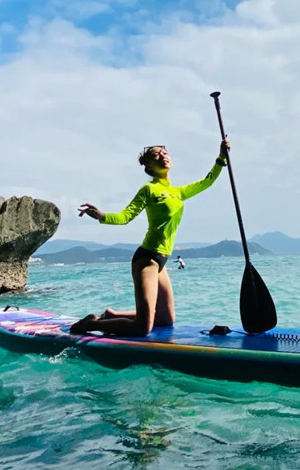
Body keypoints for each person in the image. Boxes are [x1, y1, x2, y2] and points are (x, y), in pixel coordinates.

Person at [71, 140, 229, 336]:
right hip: (147, 260)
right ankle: (89, 325)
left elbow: (208, 181)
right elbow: (125, 216)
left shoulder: (178, 192)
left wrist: (221, 157)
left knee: (166, 320)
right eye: (157, 155)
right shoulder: (149, 190)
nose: (163, 156)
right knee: (142, 328)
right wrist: (102, 216)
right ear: (148, 166)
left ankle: (111, 315)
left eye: (165, 152)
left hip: (162, 261)